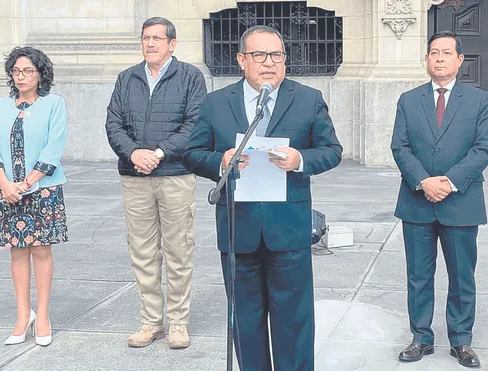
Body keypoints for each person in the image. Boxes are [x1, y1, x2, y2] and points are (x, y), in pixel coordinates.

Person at [183, 25, 342, 370]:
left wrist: (300, 159)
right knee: (246, 322)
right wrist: (220, 161)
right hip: (238, 231)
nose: (269, 62)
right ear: (242, 60)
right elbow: (192, 153)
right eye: (259, 55)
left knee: (294, 323)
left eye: (277, 55)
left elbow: (331, 150)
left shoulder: (307, 99)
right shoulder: (215, 103)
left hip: (288, 230)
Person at [391, 30, 488, 368]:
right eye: (433, 52)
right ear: (426, 59)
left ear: (459, 60)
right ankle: (421, 336)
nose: (439, 58)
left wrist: (448, 183)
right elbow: (400, 146)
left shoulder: (478, 100)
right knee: (419, 275)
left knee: (462, 275)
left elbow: (483, 149)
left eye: (446, 53)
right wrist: (423, 181)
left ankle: (461, 340)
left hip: (461, 202)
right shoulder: (409, 99)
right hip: (417, 201)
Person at [105, 17, 207, 349]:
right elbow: (113, 122)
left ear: (172, 44)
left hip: (175, 174)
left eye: (157, 38)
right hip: (135, 177)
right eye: (146, 38)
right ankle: (151, 322)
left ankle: (178, 322)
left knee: (178, 251)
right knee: (143, 252)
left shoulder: (190, 77)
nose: (150, 44)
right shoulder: (127, 78)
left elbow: (195, 123)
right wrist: (134, 153)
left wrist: (160, 152)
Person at [0, 46, 68, 347]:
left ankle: (43, 314)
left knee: (41, 251)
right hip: (6, 190)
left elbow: (54, 146)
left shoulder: (54, 104)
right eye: (16, 71)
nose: (21, 76)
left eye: (27, 71)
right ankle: (24, 314)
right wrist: (5, 183)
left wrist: (28, 182)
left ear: (40, 74)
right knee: (17, 252)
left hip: (43, 188)